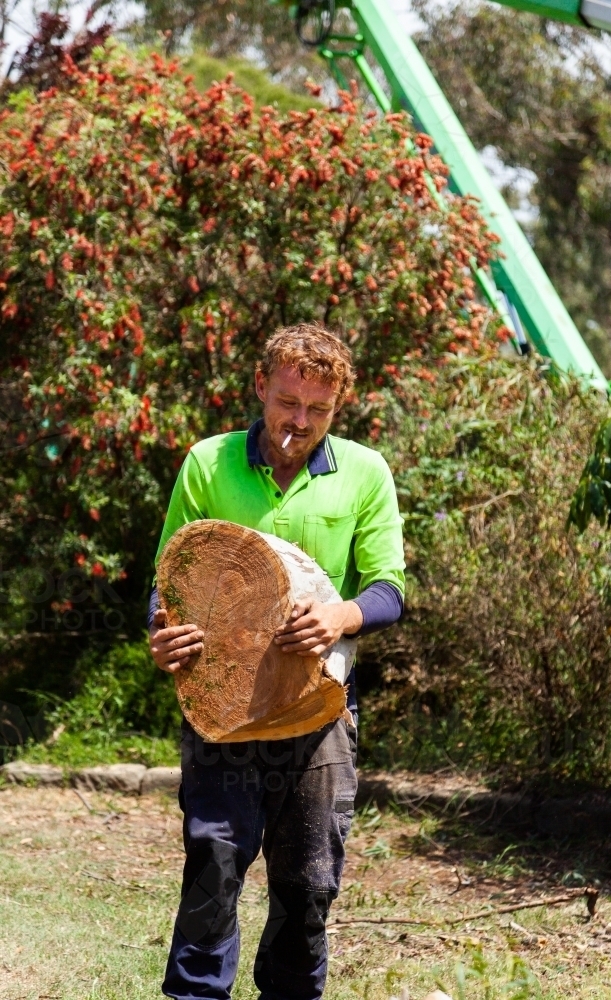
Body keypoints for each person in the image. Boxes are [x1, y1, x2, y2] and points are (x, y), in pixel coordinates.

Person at [148, 323, 405, 1000]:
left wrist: (339, 616)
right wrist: (162, 630)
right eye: (288, 402)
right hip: (221, 714)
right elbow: (169, 579)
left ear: (338, 406)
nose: (299, 421)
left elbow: (387, 590)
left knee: (307, 884)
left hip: (318, 715)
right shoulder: (208, 463)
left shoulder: (364, 473)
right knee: (212, 867)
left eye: (317, 410)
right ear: (261, 386)